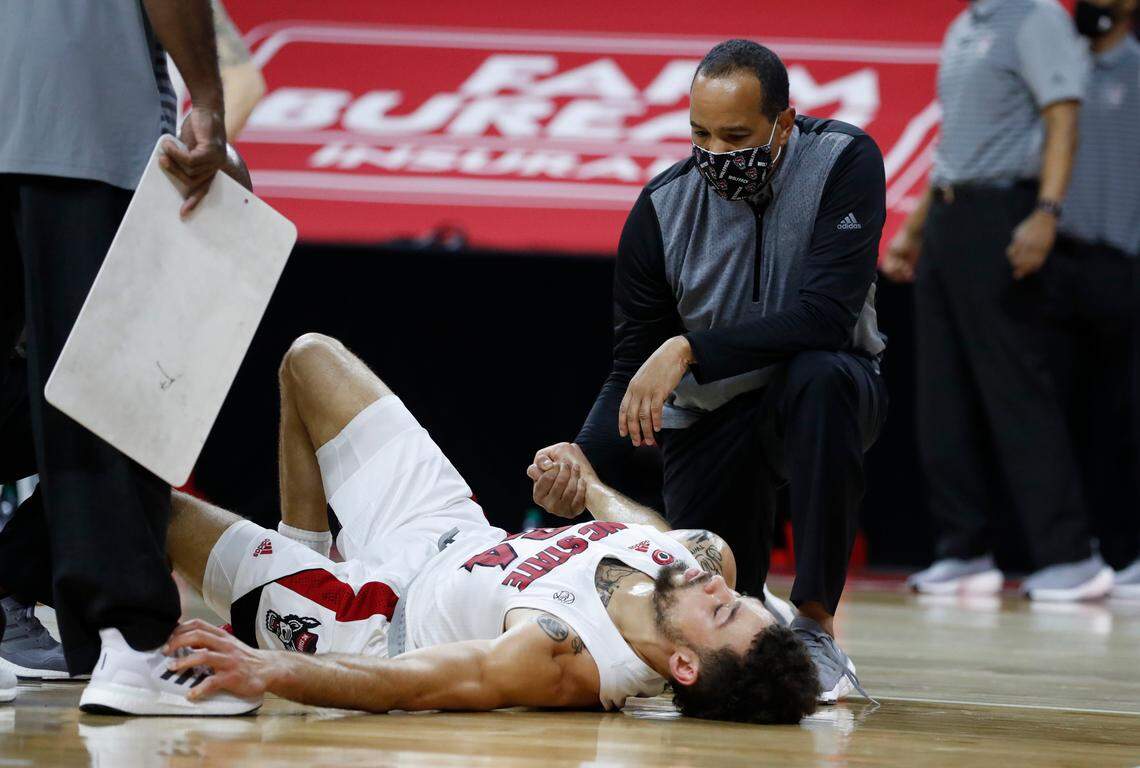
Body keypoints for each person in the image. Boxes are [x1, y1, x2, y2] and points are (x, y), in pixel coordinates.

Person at [148, 333, 821, 723]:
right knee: (308, 358)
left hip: (375, 617)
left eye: (725, 609)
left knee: (153, 505)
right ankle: (298, 559)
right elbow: (655, 538)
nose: (714, 584)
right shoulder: (702, 564)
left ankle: (292, 596)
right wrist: (587, 488)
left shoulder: (561, 654)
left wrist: (269, 668)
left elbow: (408, 684)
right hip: (449, 526)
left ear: (682, 665)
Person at [556, 39, 887, 702]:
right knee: (716, 597)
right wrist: (579, 458)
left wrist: (690, 348)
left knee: (823, 375)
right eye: (700, 134)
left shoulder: (843, 161)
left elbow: (825, 315)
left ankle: (817, 624)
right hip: (714, 415)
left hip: (823, 394)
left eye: (737, 136)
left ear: (783, 125)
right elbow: (632, 367)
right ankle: (755, 596)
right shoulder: (661, 209)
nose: (717, 153)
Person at [0, 0, 247, 713]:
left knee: (58, 385)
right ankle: (134, 641)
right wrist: (209, 101)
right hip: (79, 109)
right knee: (124, 384)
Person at [884, 0, 1113, 601]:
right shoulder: (966, 25)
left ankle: (1071, 556)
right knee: (943, 390)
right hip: (951, 214)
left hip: (1004, 212)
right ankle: (963, 550)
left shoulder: (1038, 18)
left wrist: (1046, 211)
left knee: (1016, 387)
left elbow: (1063, 118)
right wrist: (914, 226)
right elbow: (954, 139)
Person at [1045, 0, 1140, 597]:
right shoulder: (1058, 70)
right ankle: (1068, 554)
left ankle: (1128, 551)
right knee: (1054, 418)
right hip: (1054, 261)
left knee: (1123, 417)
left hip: (1124, 265)